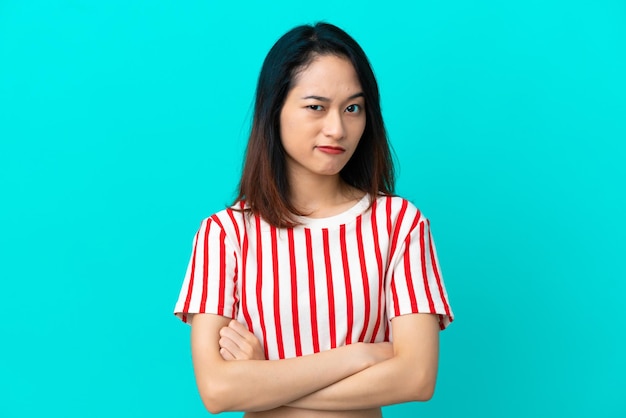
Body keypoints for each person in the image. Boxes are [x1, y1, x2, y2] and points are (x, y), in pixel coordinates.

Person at [174, 22, 454, 417]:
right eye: (315, 107)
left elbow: (417, 377)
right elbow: (218, 392)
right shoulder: (225, 234)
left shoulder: (399, 224)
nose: (337, 128)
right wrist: (359, 356)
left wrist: (263, 380)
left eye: (353, 108)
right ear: (274, 110)